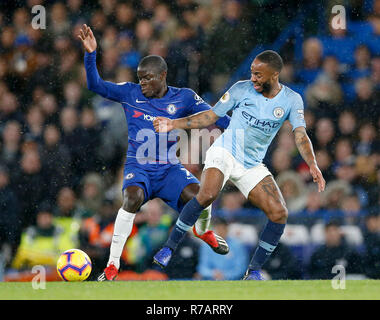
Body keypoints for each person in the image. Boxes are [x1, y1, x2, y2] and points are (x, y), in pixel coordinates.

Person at [153, 50, 326, 280]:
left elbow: (300, 134)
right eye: (252, 73)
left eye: (258, 74)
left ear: (274, 75)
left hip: (251, 164)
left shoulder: (292, 100)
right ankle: (169, 248)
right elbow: (210, 116)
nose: (253, 78)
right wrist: (173, 124)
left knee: (279, 213)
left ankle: (253, 271)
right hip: (224, 151)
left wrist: (312, 164)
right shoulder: (240, 89)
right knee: (207, 194)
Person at [78, 24, 231, 281]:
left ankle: (204, 231)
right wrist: (91, 54)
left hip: (169, 168)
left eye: (148, 78)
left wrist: (240, 128)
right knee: (132, 198)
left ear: (163, 75)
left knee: (203, 195)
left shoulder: (184, 97)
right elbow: (95, 85)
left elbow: (214, 116)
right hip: (139, 167)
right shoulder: (130, 92)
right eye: (140, 77)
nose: (143, 83)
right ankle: (112, 265)